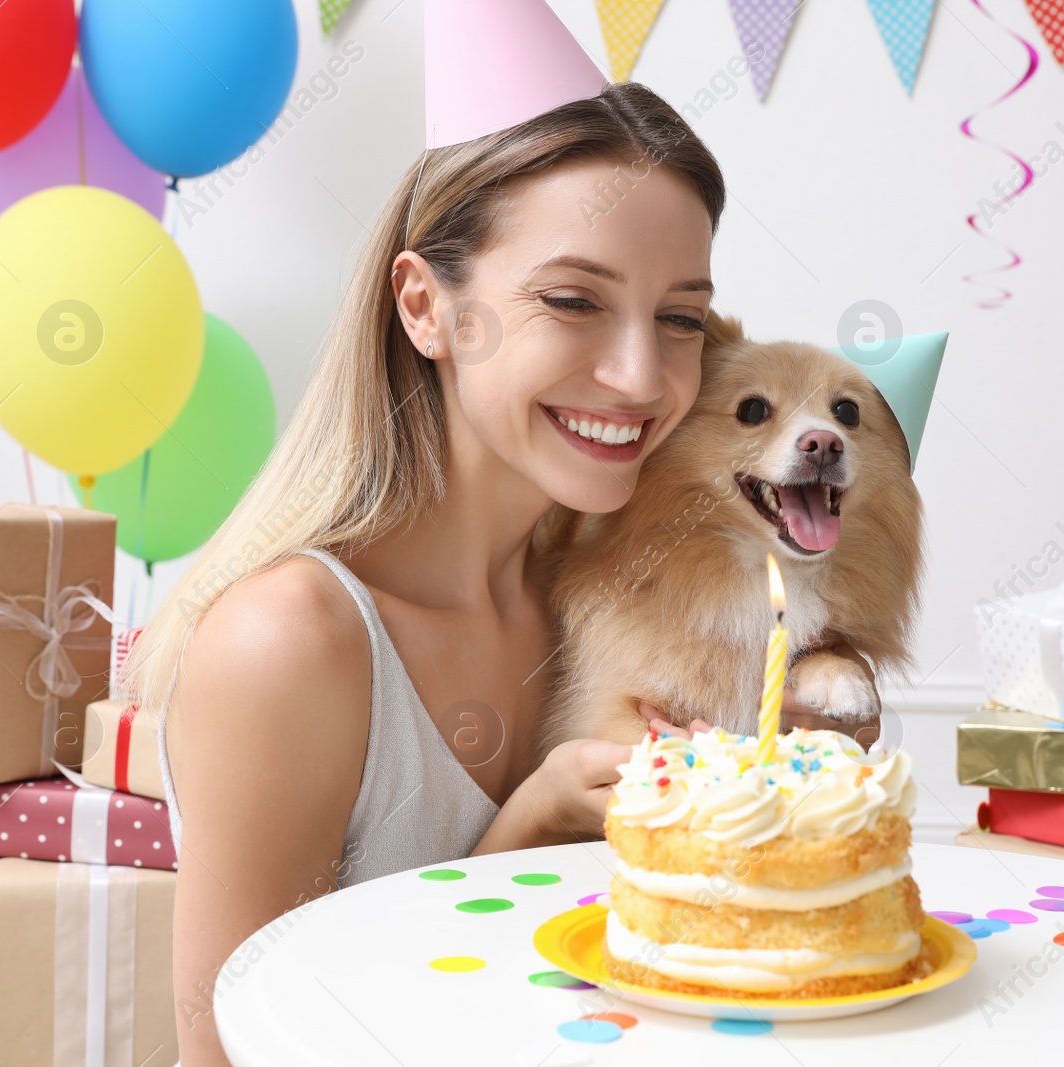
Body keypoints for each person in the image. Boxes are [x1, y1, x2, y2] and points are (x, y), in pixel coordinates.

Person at [124, 3, 882, 1063]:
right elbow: (236, 1046)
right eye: (573, 300)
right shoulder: (291, 643)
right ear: (427, 308)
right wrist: (526, 826)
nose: (640, 377)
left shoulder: (618, 596)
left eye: (678, 319)